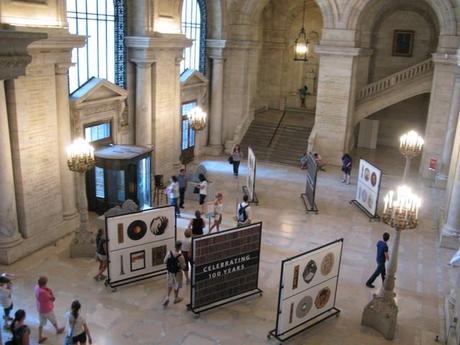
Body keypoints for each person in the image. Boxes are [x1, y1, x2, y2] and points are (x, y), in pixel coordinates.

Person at [34, 276, 64, 343]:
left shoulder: (36, 287)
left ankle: (40, 337)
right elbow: (52, 299)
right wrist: (50, 291)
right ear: (45, 283)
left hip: (40, 308)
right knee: (53, 319)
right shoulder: (44, 292)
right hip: (47, 309)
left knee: (41, 323)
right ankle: (57, 329)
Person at [162, 241, 186, 307]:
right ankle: (176, 298)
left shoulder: (169, 253)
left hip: (170, 272)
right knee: (176, 285)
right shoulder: (180, 256)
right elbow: (183, 266)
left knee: (170, 284)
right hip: (177, 273)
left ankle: (167, 297)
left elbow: (164, 261)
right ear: (180, 247)